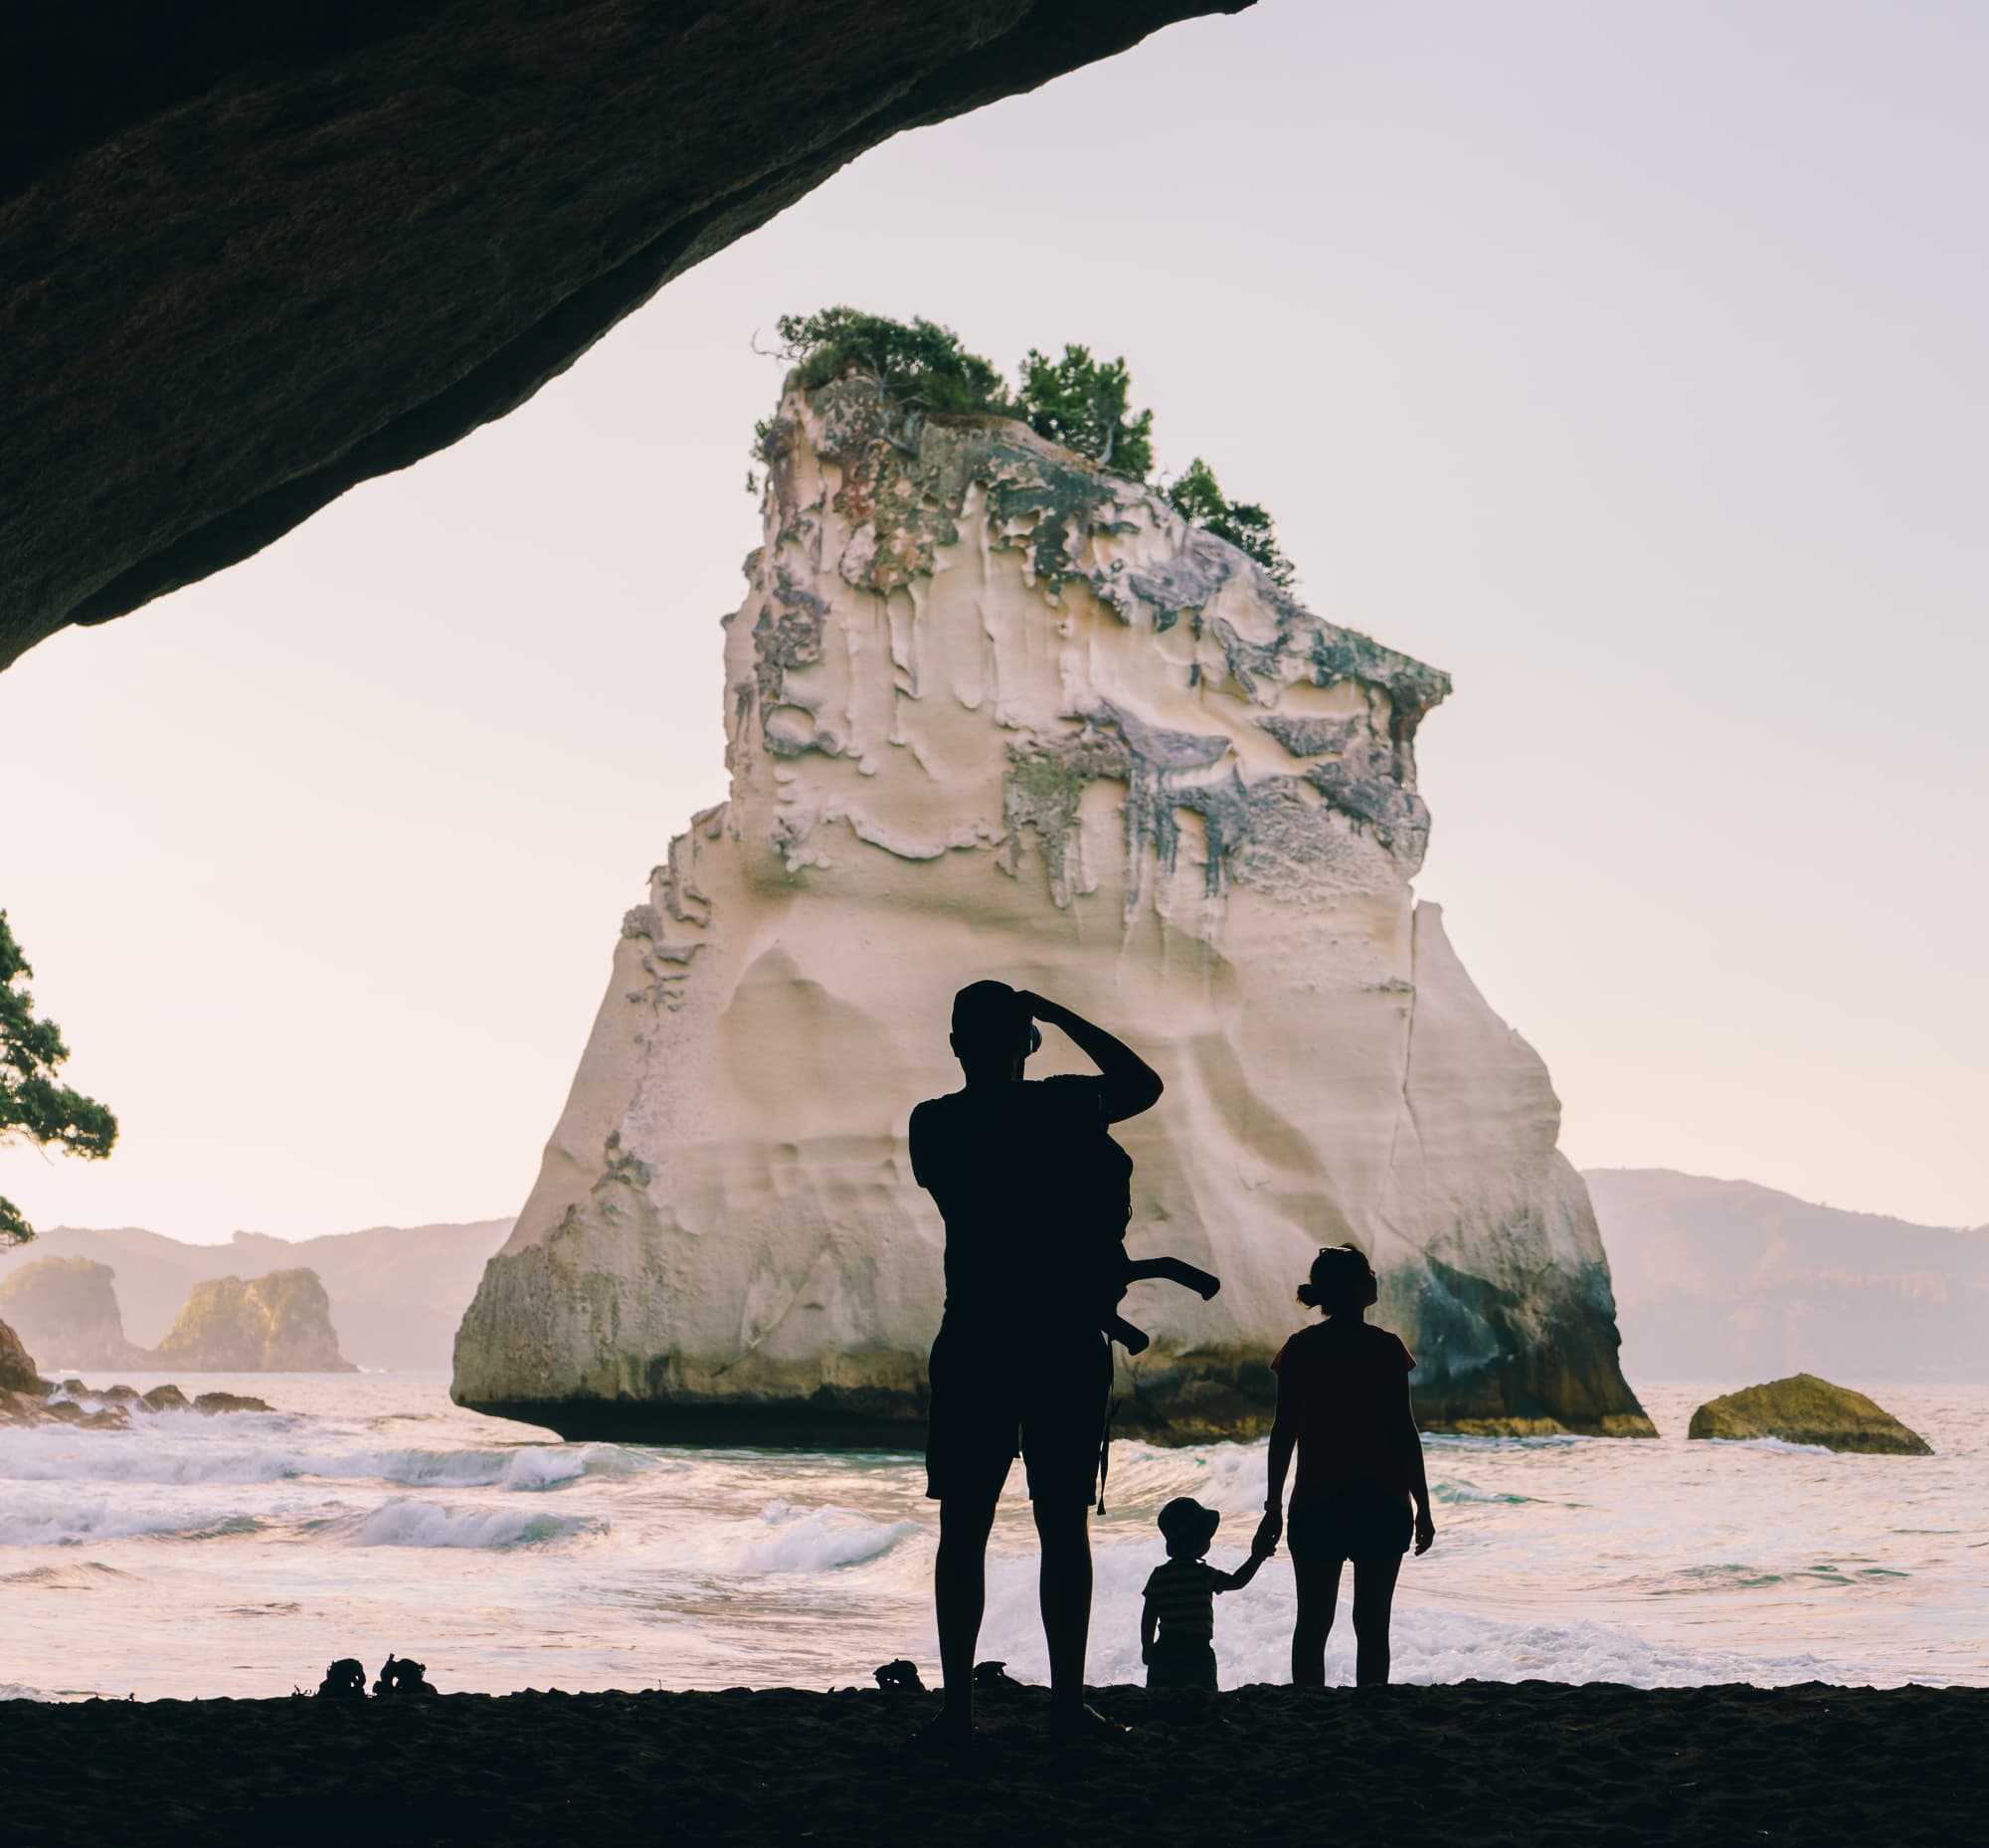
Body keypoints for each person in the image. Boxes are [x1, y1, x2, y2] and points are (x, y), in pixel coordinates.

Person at [908, 979, 1164, 1746]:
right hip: (1059, 1337)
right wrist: (1053, 1011)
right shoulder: (1061, 1107)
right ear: (1028, 1041)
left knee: (965, 1527)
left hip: (976, 1335)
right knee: (1062, 1526)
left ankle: (958, 1710)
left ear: (956, 1044)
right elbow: (1142, 1084)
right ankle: (1062, 1709)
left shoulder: (935, 1124)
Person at [1254, 1244, 1435, 1687]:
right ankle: (1371, 1711)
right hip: (1382, 1501)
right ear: (1358, 1288)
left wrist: (1273, 1506)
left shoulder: (1300, 1348)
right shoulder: (1386, 1348)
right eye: (1369, 1273)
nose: (1376, 1279)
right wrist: (1424, 1506)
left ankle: (1307, 1714)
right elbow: (1404, 1432)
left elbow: (1283, 1433)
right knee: (1373, 1627)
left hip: (1317, 1502)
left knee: (1312, 1625)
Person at [1140, 1496, 1268, 1693]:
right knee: (1205, 1701)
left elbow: (1149, 1616)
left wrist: (1147, 1647)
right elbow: (1237, 1581)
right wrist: (1257, 1557)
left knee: (1159, 1700)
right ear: (1199, 1541)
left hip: (1165, 1652)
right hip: (1197, 1653)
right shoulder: (1204, 1574)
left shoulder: (1159, 1575)